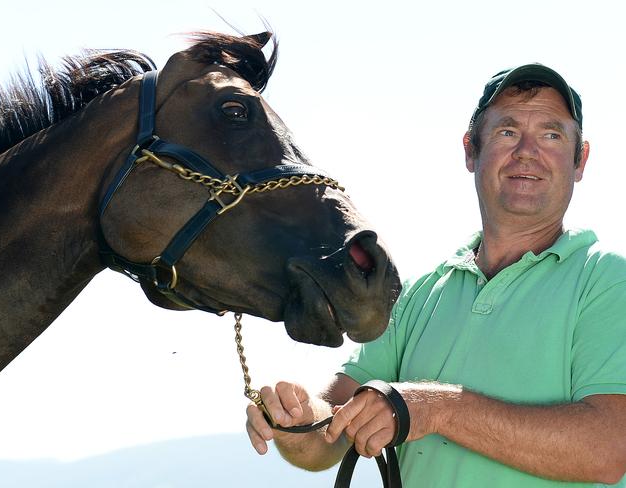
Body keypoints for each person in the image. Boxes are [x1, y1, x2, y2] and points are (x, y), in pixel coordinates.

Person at [245, 63, 626, 487]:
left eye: (552, 135)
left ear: (580, 159)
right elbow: (330, 433)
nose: (527, 151)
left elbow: (609, 449)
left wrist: (434, 408)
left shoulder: (608, 281)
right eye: (507, 131)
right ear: (470, 150)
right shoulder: (419, 295)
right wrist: (295, 420)